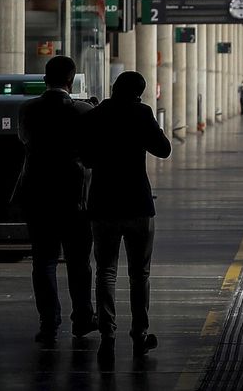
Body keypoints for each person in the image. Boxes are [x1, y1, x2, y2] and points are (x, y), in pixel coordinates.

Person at [80, 71, 172, 356]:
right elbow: (164, 149)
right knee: (139, 274)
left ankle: (107, 335)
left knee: (105, 272)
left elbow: (86, 159)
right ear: (139, 93)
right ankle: (139, 335)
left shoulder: (95, 115)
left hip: (103, 203)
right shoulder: (141, 113)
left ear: (113, 87)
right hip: (137, 203)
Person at [11, 55, 97, 343]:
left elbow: (25, 140)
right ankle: (83, 318)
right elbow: (91, 152)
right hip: (75, 198)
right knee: (78, 261)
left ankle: (49, 323)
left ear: (44, 78)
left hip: (37, 195)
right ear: (71, 81)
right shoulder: (84, 111)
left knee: (44, 261)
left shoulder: (27, 109)